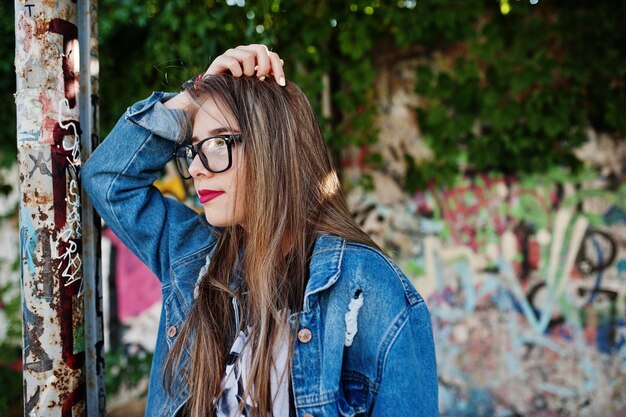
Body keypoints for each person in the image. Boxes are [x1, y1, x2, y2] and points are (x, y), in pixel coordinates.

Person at [83, 45, 439, 417]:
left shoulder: (366, 287)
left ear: (273, 148)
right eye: (193, 149)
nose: (199, 169)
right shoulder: (194, 257)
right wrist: (194, 96)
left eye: (218, 144)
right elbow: (107, 180)